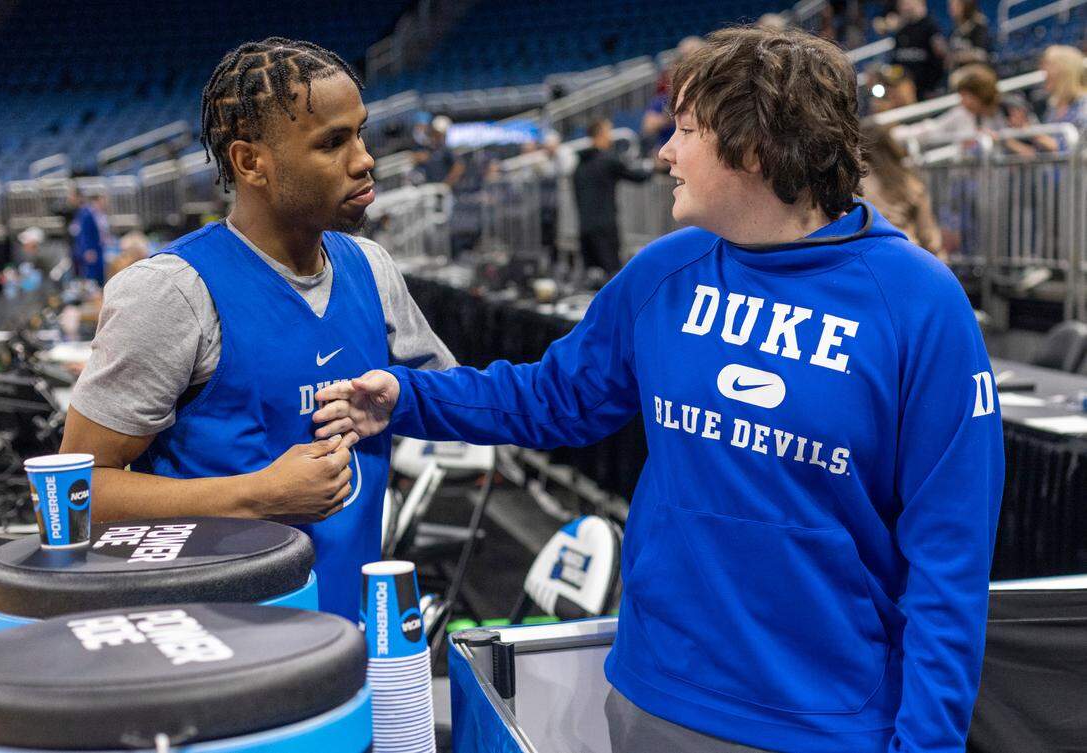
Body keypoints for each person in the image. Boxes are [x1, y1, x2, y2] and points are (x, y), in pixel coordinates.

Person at [318, 26, 1003, 753]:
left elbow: (950, 561)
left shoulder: (919, 303)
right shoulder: (666, 271)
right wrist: (411, 397)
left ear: (753, 148)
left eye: (685, 131)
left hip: (826, 721)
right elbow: (554, 398)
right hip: (655, 699)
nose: (664, 153)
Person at [59, 37, 454, 620]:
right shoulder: (172, 290)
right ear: (250, 163)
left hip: (348, 640)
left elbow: (453, 400)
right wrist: (257, 495)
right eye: (333, 142)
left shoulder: (372, 267)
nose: (364, 159)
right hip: (216, 656)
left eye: (361, 133)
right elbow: (75, 498)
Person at [572, 118, 652, 277]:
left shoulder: (579, 164)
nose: (611, 136)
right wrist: (655, 166)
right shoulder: (607, 160)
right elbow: (638, 176)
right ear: (600, 134)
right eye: (608, 131)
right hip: (605, 227)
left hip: (584, 227)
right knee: (613, 273)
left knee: (591, 276)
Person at [859, 124, 942, 255]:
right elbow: (930, 237)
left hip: (868, 252)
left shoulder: (854, 181)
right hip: (907, 249)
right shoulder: (909, 181)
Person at [890, 0, 948, 99]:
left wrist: (936, 87)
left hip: (929, 90)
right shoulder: (901, 31)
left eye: (907, 2)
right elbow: (895, 61)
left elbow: (943, 58)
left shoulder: (931, 27)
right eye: (902, 3)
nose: (904, 6)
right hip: (906, 92)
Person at [1034, 45, 1087, 152]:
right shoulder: (1053, 106)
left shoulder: (1083, 105)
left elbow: (1079, 150)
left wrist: (1039, 137)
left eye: (1049, 64)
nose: (1043, 71)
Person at [72, 192, 111, 285]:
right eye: (103, 201)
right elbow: (83, 234)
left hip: (99, 247)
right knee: (91, 276)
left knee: (100, 274)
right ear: (96, 200)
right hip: (91, 249)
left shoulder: (100, 214)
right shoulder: (87, 214)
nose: (105, 203)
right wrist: (87, 250)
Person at [947, 0, 991, 68]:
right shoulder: (954, 31)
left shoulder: (978, 25)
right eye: (950, 5)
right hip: (960, 72)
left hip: (980, 69)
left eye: (956, 5)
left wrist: (960, 56)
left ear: (965, 5)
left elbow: (982, 54)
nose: (951, 8)